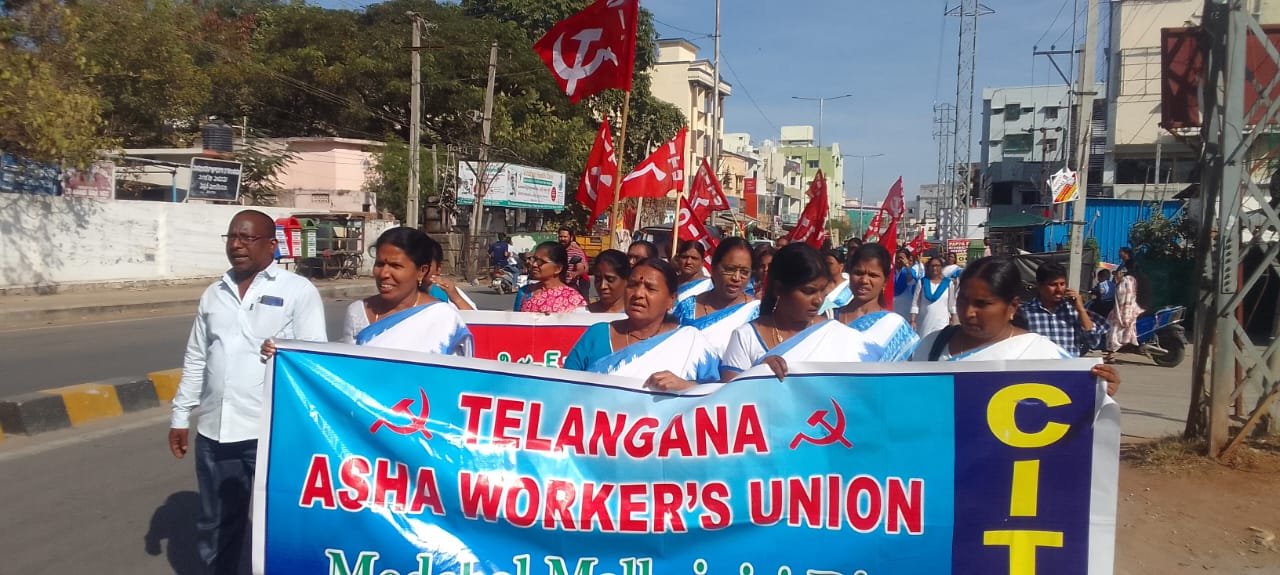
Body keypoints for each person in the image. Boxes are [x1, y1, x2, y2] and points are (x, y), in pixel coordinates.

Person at [169, 210, 328, 574]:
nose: (237, 245)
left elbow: (314, 357)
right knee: (217, 523)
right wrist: (180, 416)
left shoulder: (297, 291)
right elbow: (197, 357)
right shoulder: (214, 293)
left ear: (271, 245)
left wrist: (287, 349)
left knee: (281, 522)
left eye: (247, 238)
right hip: (215, 431)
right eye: (231, 237)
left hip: (272, 433)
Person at [910, 257, 1120, 396]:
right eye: (963, 300)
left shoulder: (1040, 354)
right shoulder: (930, 346)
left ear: (1012, 306)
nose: (968, 312)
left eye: (983, 304)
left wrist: (1099, 390)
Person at [721, 243, 876, 381]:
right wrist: (758, 375)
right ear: (779, 289)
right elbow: (728, 403)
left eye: (823, 291)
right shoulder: (745, 338)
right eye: (809, 291)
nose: (818, 300)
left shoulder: (836, 335)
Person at [564, 258, 721, 390]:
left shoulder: (690, 342)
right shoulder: (597, 335)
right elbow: (563, 389)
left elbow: (716, 400)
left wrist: (686, 388)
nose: (638, 294)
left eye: (650, 288)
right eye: (632, 285)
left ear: (671, 300)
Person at [338, 228, 471, 354]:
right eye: (379, 264)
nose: (384, 273)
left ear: (421, 271)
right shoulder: (358, 313)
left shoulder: (443, 317)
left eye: (395, 266)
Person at [672, 237, 761, 355]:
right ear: (713, 268)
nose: (736, 278)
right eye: (730, 269)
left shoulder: (757, 313)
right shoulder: (687, 308)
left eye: (744, 272)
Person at [834, 243, 920, 362]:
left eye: (873, 275)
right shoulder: (830, 318)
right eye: (858, 273)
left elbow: (903, 376)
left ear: (885, 281)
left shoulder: (896, 328)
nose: (864, 280)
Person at [1020, 261, 1107, 357]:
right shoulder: (1024, 313)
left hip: (1068, 369)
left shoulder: (1072, 311)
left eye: (1062, 284)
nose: (1059, 289)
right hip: (1038, 369)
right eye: (1053, 285)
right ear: (1040, 286)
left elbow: (1093, 342)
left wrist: (1081, 310)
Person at [514, 241, 588, 313]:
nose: (534, 264)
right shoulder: (525, 292)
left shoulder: (573, 299)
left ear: (558, 268)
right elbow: (516, 322)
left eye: (541, 262)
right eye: (534, 259)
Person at [1105, 265, 1144, 362]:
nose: (1115, 276)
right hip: (1132, 309)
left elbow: (1122, 299)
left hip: (1123, 311)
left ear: (1121, 273)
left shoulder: (1124, 282)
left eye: (1116, 274)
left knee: (1112, 332)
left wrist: (1122, 315)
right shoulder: (1131, 280)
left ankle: (1111, 355)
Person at [911, 256, 958, 337]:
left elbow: (952, 305)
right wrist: (912, 320)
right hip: (924, 322)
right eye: (932, 266)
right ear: (928, 268)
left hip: (942, 323)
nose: (934, 268)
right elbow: (915, 303)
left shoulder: (948, 283)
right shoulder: (922, 282)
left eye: (937, 266)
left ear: (942, 267)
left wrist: (954, 321)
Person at [587, 249, 629, 314]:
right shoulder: (583, 314)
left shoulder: (636, 318)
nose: (602, 286)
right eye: (598, 279)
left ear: (626, 280)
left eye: (610, 280)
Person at [818, 248, 852, 316]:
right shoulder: (819, 285)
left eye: (830, 264)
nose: (827, 267)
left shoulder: (850, 287)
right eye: (825, 264)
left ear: (841, 266)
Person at [559, 227, 590, 300]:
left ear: (571, 237)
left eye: (565, 237)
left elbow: (581, 267)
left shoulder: (575, 251)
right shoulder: (557, 250)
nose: (562, 239)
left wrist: (574, 274)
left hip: (573, 286)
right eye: (560, 236)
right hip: (558, 286)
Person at [891, 247, 919, 319]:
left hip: (905, 309)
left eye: (901, 258)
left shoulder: (911, 271)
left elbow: (911, 281)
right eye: (897, 257)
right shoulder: (890, 272)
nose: (898, 260)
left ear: (907, 259)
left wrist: (907, 266)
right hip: (892, 309)